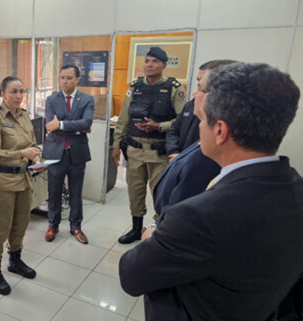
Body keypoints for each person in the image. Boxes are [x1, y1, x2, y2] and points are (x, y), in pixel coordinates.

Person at [119, 62, 303, 321]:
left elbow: (131, 276)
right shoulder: (295, 190)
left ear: (220, 131)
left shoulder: (197, 217)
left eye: (203, 121)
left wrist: (151, 236)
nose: (198, 129)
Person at [112, 46, 187, 244]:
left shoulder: (174, 88)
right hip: (135, 151)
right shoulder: (135, 87)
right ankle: (136, 229)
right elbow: (124, 118)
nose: (150, 65)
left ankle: (158, 231)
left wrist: (159, 126)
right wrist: (116, 145)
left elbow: (182, 120)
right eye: (147, 61)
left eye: (155, 61)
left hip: (160, 155)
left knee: (160, 195)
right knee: (135, 193)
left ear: (163, 65)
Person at [153, 60, 236, 216]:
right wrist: (175, 152)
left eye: (200, 87)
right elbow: (174, 129)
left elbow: (181, 215)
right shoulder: (190, 106)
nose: (194, 93)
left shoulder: (207, 156)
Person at [0, 76, 41, 295]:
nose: (18, 96)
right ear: (2, 94)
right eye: (13, 92)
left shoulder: (25, 116)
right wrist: (22, 153)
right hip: (3, 183)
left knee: (20, 224)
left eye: (21, 91)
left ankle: (15, 261)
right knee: (0, 228)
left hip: (24, 179)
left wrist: (36, 158)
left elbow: (33, 145)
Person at [43, 64, 94, 244]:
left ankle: (76, 227)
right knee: (54, 191)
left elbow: (87, 123)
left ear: (77, 80)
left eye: (69, 78)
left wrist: (62, 125)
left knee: (76, 192)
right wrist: (77, 127)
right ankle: (53, 225)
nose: (65, 81)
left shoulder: (87, 99)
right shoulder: (51, 99)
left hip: (77, 153)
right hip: (55, 152)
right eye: (62, 77)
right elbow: (50, 125)